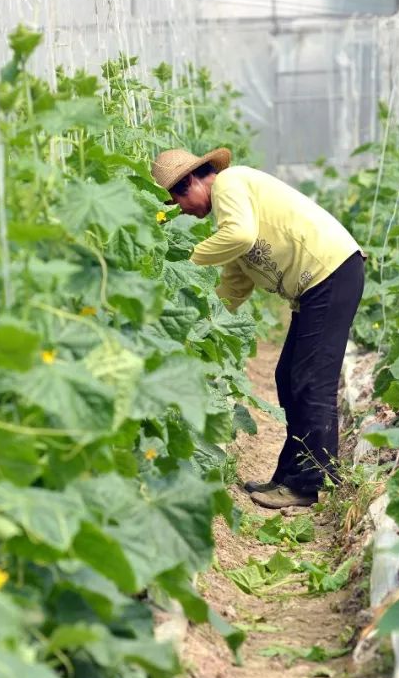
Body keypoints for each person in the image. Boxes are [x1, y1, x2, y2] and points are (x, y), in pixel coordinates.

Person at [151, 148, 364, 509]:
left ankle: (310, 483)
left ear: (190, 183)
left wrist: (183, 262)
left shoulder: (229, 183)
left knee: (311, 381)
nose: (181, 210)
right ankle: (289, 476)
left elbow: (240, 237)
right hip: (318, 284)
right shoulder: (230, 213)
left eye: (176, 201)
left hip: (331, 273)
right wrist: (197, 324)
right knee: (288, 377)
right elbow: (234, 286)